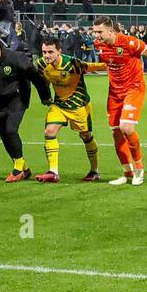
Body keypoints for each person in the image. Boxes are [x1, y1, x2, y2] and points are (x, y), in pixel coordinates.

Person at [92, 16, 147, 186]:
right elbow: (109, 64)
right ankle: (127, 173)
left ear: (110, 30)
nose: (97, 35)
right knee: (116, 132)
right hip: (114, 93)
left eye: (99, 32)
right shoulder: (98, 45)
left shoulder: (130, 43)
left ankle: (139, 169)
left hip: (134, 88)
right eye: (94, 32)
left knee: (126, 127)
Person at [0, 31, 51, 182]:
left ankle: (17, 168)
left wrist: (45, 96)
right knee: (4, 135)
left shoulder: (16, 58)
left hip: (18, 96)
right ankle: (24, 169)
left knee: (11, 130)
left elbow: (36, 78)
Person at [32, 35, 104, 183]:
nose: (46, 56)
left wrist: (115, 64)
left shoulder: (71, 64)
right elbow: (41, 81)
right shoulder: (41, 65)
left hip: (79, 105)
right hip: (59, 105)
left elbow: (92, 66)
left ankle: (94, 171)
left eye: (50, 52)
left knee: (86, 136)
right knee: (49, 131)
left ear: (59, 51)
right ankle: (53, 172)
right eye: (44, 52)